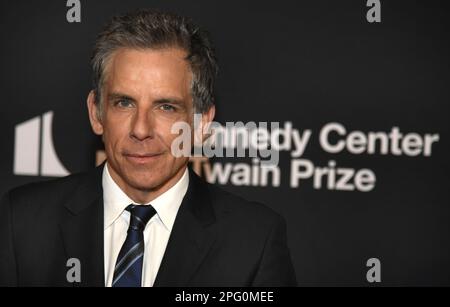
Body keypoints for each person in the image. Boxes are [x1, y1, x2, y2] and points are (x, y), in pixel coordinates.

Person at [0, 9, 297, 287]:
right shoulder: (23, 223)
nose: (141, 129)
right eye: (124, 103)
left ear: (202, 124)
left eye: (166, 107)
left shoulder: (254, 242)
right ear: (96, 112)